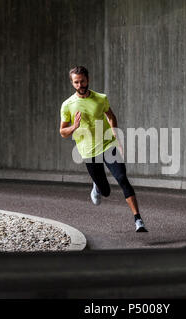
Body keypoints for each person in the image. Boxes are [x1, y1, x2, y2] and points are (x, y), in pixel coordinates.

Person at [59, 66, 147, 232]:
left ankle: (138, 220)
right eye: (76, 82)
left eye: (82, 81)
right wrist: (74, 127)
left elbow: (111, 116)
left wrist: (116, 136)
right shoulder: (67, 105)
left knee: (122, 178)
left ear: (88, 80)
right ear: (72, 83)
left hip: (108, 144)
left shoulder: (101, 98)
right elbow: (63, 132)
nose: (80, 85)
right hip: (88, 151)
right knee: (105, 192)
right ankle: (97, 186)